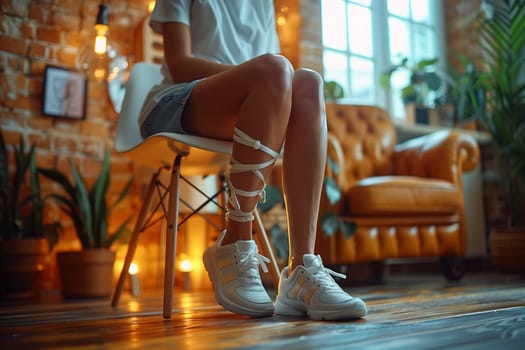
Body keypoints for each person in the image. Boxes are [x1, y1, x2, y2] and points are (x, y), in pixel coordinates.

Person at [140, 0, 367, 321]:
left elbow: (275, 79)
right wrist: (263, 79)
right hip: (176, 101)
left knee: (308, 83)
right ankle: (235, 241)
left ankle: (302, 268)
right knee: (276, 70)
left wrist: (268, 83)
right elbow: (179, 64)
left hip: (248, 102)